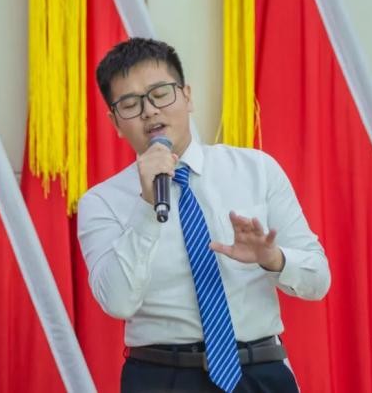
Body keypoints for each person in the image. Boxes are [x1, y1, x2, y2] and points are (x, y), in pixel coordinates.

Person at [77, 38, 330, 393]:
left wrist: (272, 258)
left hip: (259, 372)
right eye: (131, 104)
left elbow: (319, 279)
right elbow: (117, 302)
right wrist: (147, 207)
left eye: (160, 94)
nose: (150, 111)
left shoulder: (256, 169)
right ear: (116, 122)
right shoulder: (101, 202)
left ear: (188, 96)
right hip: (162, 378)